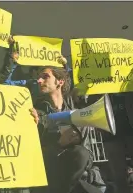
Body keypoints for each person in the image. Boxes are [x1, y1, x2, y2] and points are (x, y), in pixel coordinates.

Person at [29, 65, 91, 193]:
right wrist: (59, 144)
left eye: (45, 77)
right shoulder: (35, 112)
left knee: (81, 153)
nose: (39, 81)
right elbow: (32, 156)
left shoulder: (75, 114)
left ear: (60, 81)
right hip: (46, 176)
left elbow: (88, 158)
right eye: (38, 77)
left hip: (70, 179)